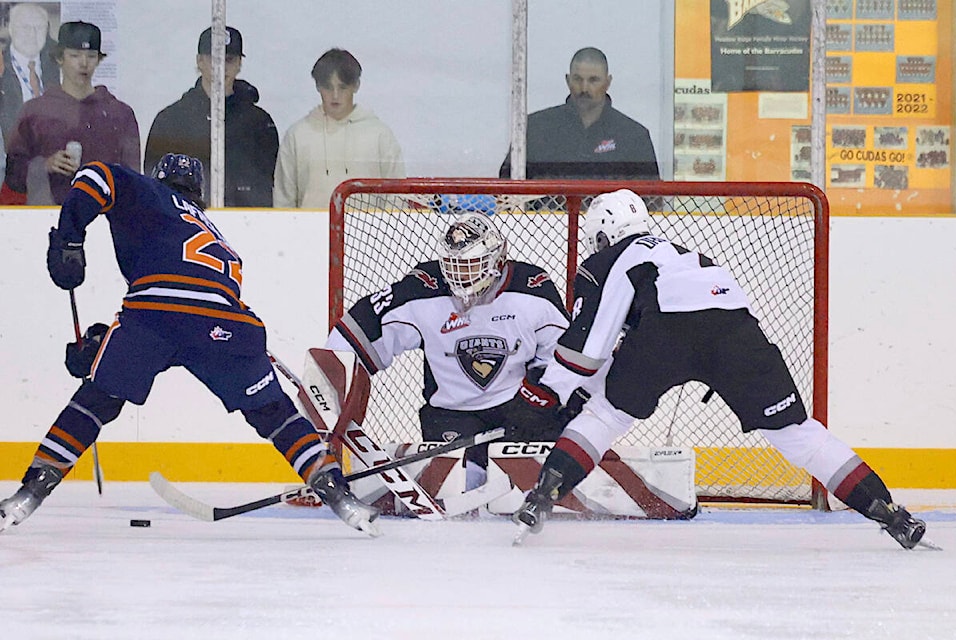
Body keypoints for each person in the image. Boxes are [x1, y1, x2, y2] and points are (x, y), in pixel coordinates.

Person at [511, 189, 928, 550]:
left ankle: (542, 497)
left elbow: (585, 353)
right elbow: (707, 313)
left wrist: (548, 391)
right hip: (735, 333)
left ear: (603, 234)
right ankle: (891, 514)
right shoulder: (691, 257)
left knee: (605, 415)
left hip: (667, 334)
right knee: (797, 433)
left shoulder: (607, 261)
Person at [0, 153, 379, 537]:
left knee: (96, 401)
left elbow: (95, 176)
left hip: (155, 312)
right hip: (229, 324)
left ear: (159, 178)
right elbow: (195, 305)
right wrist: (106, 347)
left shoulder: (149, 192)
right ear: (199, 194)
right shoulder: (217, 235)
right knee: (274, 414)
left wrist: (69, 238)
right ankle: (336, 491)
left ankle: (31, 490)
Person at [325, 211, 570, 490]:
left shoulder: (532, 288)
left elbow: (561, 356)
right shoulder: (423, 288)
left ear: (497, 260)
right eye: (452, 263)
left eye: (469, 264)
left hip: (517, 409)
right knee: (459, 486)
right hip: (450, 413)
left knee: (537, 485)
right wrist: (331, 384)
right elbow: (354, 337)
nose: (458, 273)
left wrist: (536, 399)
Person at [0, 20, 140, 205]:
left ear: (98, 59)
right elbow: (13, 176)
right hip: (45, 219)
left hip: (104, 219)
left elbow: (134, 179)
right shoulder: (35, 112)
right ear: (60, 58)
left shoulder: (120, 114)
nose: (83, 63)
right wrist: (44, 165)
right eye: (75, 55)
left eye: (91, 56)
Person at [144, 26, 278, 208]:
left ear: (239, 63)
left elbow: (267, 187)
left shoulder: (260, 123)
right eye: (214, 58)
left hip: (246, 227)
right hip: (187, 225)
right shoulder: (170, 120)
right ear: (199, 61)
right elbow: (153, 184)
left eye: (229, 59)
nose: (221, 67)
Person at [499, 47, 660, 182]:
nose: (584, 88)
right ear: (568, 80)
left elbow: (651, 200)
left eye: (593, 80)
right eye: (578, 79)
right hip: (546, 220)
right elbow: (505, 190)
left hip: (614, 221)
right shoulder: (535, 128)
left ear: (608, 82)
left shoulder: (633, 136)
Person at [273, 48, 404, 210]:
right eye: (328, 87)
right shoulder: (297, 135)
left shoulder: (380, 135)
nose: (335, 96)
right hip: (308, 232)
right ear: (318, 87)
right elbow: (283, 199)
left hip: (366, 233)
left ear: (356, 86)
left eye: (342, 87)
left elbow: (397, 197)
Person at [0, 3, 59, 146]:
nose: (32, 34)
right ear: (12, 30)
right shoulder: (2, 68)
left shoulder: (57, 65)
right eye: (25, 28)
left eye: (39, 28)